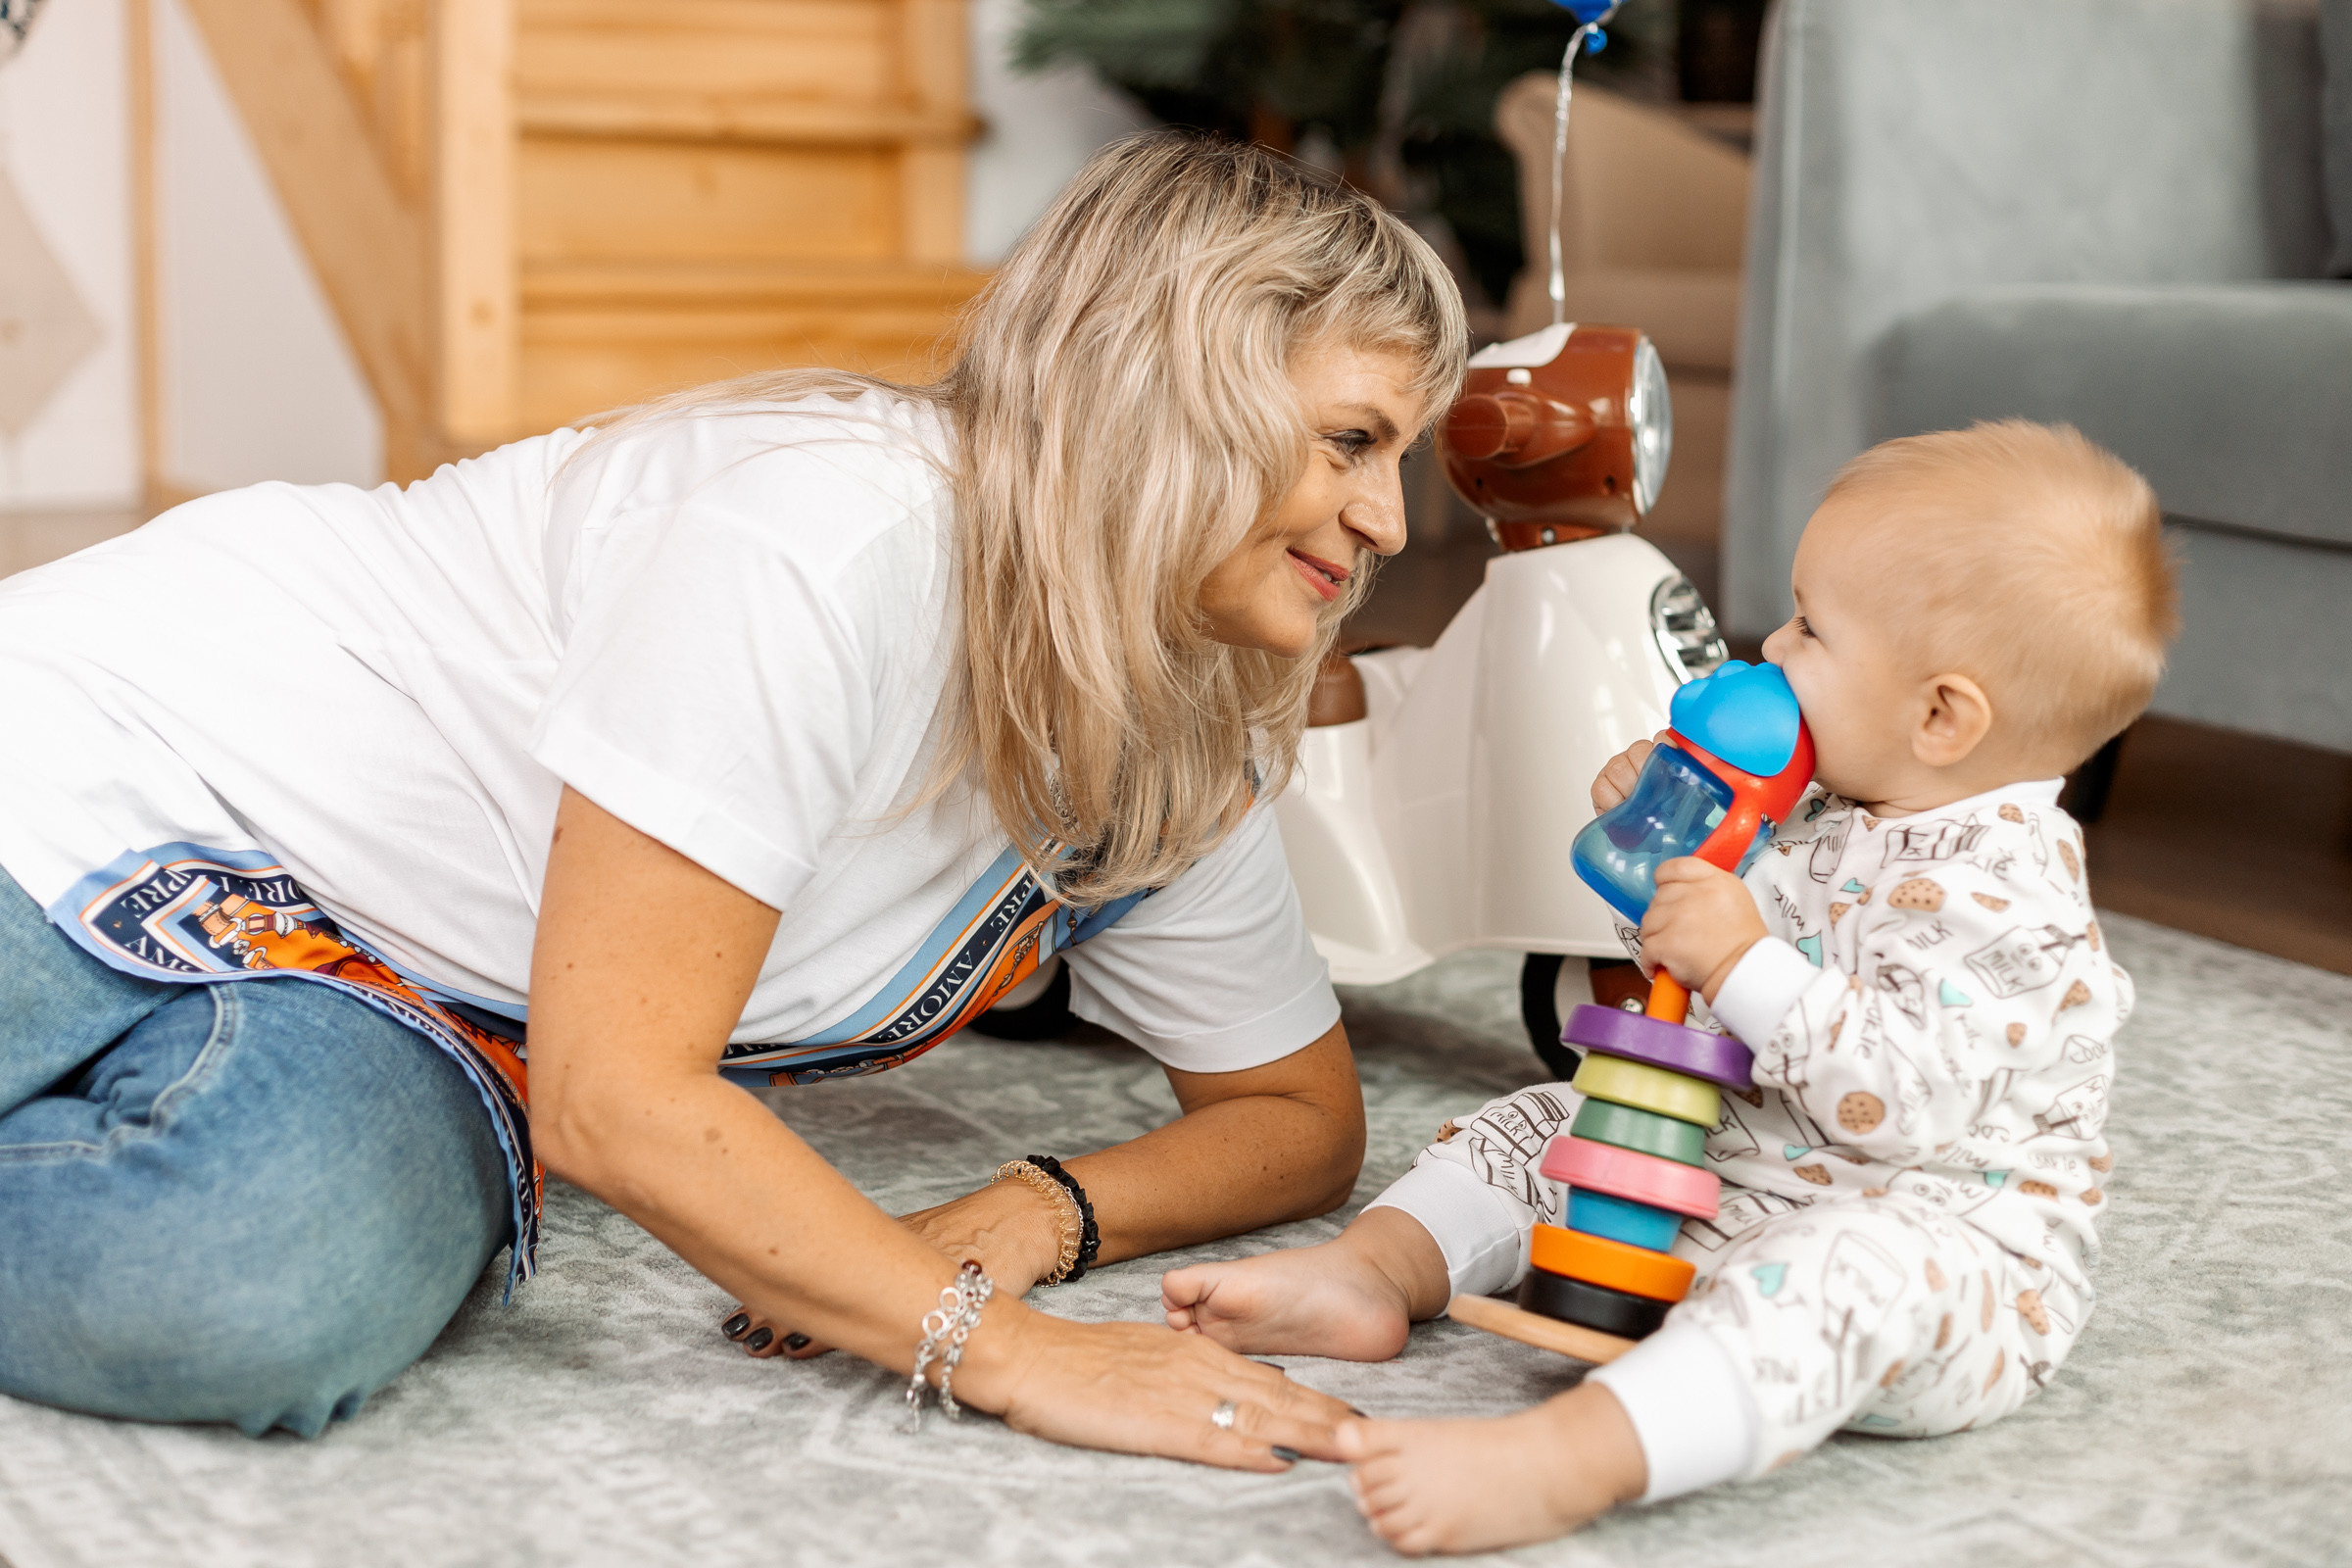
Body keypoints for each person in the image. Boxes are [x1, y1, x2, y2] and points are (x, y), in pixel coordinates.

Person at [0, 131, 1467, 1463]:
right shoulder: (832, 540)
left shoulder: (1180, 719)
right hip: (122, 769)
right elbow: (623, 1097)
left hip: (405, 997)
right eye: (1351, 442)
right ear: (1170, 386)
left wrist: (1033, 1214)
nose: (1390, 521)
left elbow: (1293, 1112)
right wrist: (1006, 1354)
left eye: (1400, 459)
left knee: (246, 1295)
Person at [1161, 419, 2179, 1551]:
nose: (1772, 645)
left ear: (1941, 715)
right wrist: (1656, 847)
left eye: (1809, 627)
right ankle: (1377, 1269)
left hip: (1942, 1250)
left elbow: (1896, 1103)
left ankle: (1576, 1455)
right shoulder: (1823, 797)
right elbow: (1674, 971)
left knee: (1858, 1274)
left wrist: (1744, 959)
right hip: (1734, 1173)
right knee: (1548, 1122)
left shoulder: (2010, 896)